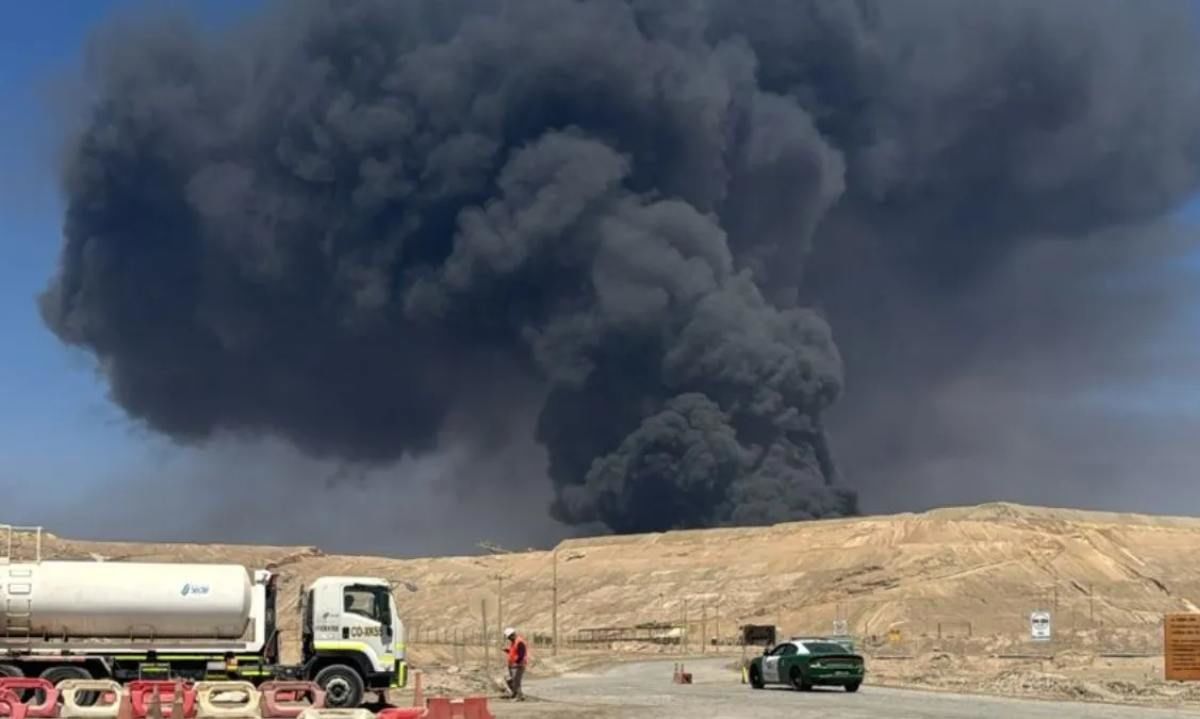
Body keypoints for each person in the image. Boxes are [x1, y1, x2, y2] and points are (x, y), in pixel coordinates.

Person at [503, 627, 528, 700]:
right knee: (512, 680)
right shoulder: (514, 642)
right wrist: (507, 651)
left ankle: (518, 696)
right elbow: (514, 652)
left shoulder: (519, 642)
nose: (508, 639)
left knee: (516, 681)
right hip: (513, 665)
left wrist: (516, 663)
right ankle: (517, 694)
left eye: (509, 637)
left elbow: (521, 654)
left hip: (519, 665)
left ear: (512, 635)